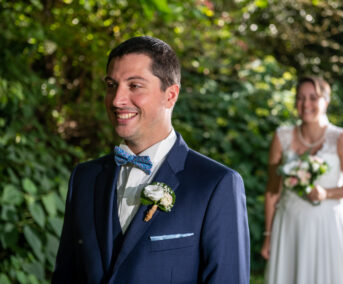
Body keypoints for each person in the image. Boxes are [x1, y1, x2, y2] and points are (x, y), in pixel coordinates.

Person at [52, 36, 250, 283]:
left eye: (134, 86)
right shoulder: (85, 178)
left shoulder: (216, 184)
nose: (116, 100)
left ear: (170, 95)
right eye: (111, 85)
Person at [261, 76, 343, 284]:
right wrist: (268, 235)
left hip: (328, 225)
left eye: (313, 98)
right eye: (300, 98)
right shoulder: (282, 137)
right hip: (289, 223)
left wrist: (327, 193)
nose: (305, 104)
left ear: (326, 101)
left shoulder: (341, 138)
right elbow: (272, 191)